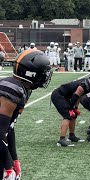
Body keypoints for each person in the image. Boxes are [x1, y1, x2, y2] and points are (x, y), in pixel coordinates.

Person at [0, 49, 52, 180]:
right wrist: (8, 166)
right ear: (32, 73)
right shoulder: (12, 89)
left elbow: (9, 128)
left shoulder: (23, 88)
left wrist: (14, 159)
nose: (46, 76)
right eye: (44, 72)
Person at [51, 69, 90, 147]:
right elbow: (75, 96)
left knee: (73, 115)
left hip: (66, 96)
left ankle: (71, 136)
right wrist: (71, 108)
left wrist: (76, 108)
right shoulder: (86, 84)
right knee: (68, 115)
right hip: (59, 95)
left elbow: (79, 96)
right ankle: (61, 139)